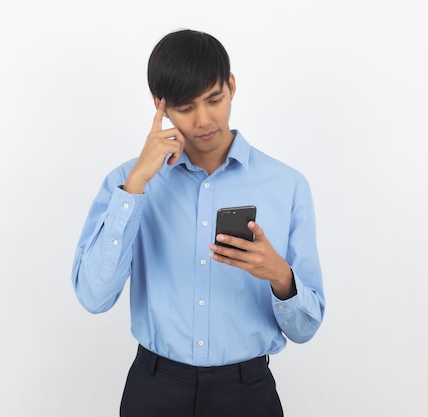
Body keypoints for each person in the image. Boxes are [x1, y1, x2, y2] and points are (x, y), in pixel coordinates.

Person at [71, 29, 325, 417]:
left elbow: (305, 328)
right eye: (186, 107)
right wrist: (136, 186)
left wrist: (279, 275)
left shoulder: (286, 185)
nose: (205, 120)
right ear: (161, 106)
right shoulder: (128, 183)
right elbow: (93, 296)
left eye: (214, 99)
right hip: (155, 390)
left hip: (248, 394)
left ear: (232, 86)